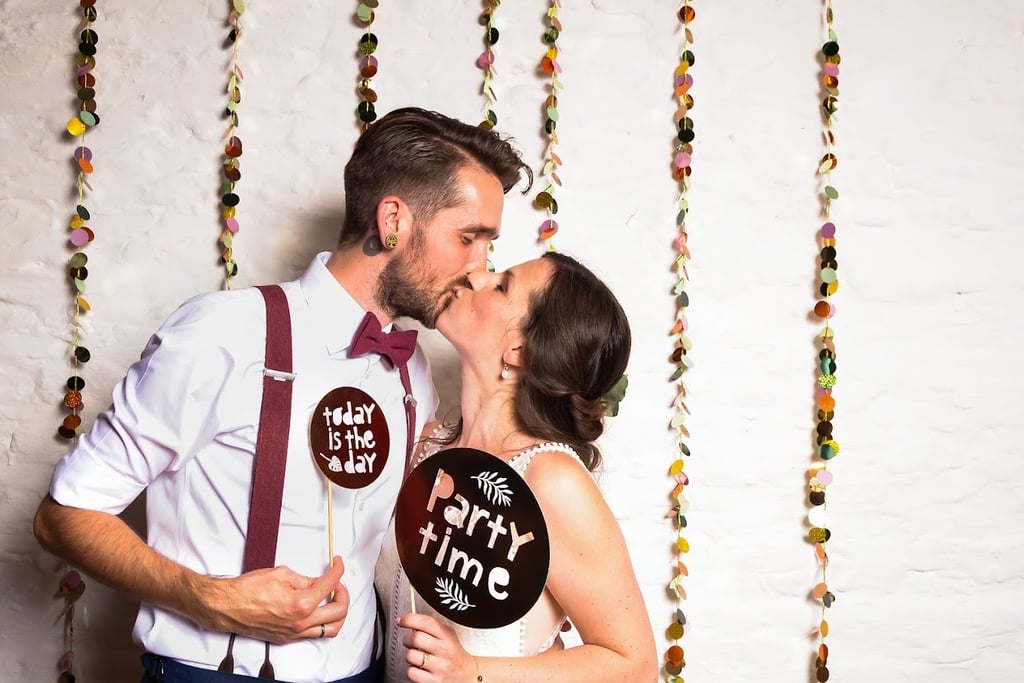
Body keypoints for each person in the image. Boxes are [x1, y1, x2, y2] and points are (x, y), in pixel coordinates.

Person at [32, 107, 532, 683]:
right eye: (468, 238)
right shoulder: (223, 332)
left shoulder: (410, 369)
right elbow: (62, 517)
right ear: (393, 219)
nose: (479, 270)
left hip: (365, 672)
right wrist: (212, 600)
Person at [375, 251, 658, 683]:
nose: (476, 276)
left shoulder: (552, 481)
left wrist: (473, 672)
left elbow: (634, 664)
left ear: (520, 350)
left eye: (502, 285)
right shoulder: (424, 444)